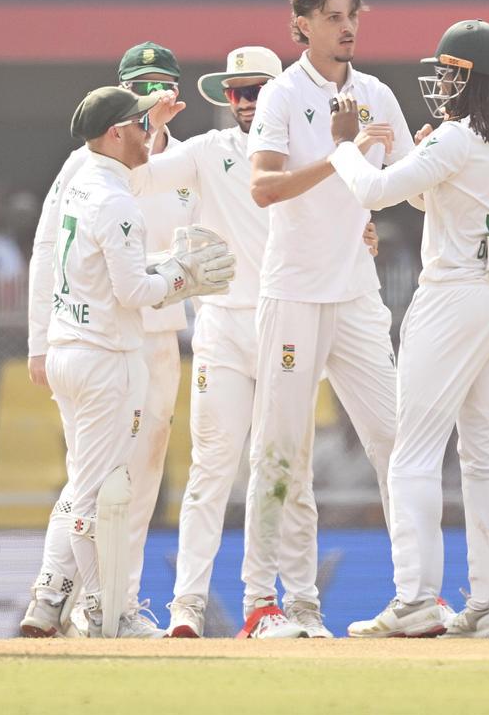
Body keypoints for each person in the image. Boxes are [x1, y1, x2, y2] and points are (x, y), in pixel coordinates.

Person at [127, 45, 380, 638]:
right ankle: (187, 605)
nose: (244, 102)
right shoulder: (206, 151)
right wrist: (150, 126)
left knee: (289, 470)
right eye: (235, 92)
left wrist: (365, 233)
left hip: (289, 325)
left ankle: (300, 604)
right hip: (221, 326)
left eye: (256, 91)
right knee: (211, 470)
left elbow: (352, 217)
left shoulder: (313, 156)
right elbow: (139, 177)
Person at [326, 18, 489, 639]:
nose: (443, 82)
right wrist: (432, 162)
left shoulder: (457, 136)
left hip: (454, 297)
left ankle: (416, 600)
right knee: (487, 460)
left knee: (414, 454)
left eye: (451, 72)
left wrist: (343, 144)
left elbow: (374, 190)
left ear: (472, 78)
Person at [24, 85, 234, 638]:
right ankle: (105, 609)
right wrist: (182, 278)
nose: (149, 136)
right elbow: (134, 291)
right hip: (104, 359)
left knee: (83, 483)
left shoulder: (83, 180)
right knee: (99, 495)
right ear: (116, 133)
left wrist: (166, 264)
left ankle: (51, 595)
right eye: (141, 127)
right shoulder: (117, 201)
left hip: (69, 348)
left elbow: (107, 262)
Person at [243, 0, 413, 638]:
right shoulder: (282, 94)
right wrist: (344, 153)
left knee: (398, 444)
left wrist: (444, 150)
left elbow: (409, 181)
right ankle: (270, 603)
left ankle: (416, 595)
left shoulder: (377, 94)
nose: (347, 27)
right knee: (282, 451)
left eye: (353, 16)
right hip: (294, 293)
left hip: (357, 293)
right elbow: (263, 187)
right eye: (334, 16)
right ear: (303, 26)